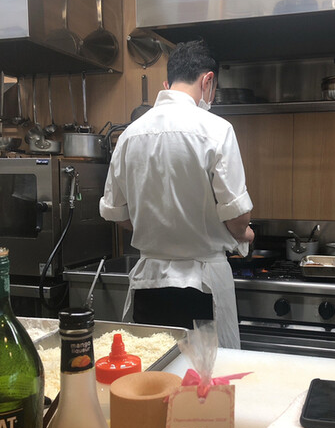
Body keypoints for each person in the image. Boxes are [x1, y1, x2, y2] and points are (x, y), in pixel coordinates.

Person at [99, 39, 254, 348]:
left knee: (154, 369)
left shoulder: (129, 135)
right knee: (207, 375)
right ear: (208, 81)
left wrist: (158, 225)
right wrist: (245, 234)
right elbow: (237, 218)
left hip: (150, 285)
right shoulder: (217, 129)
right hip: (203, 285)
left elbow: (119, 215)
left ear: (167, 84)